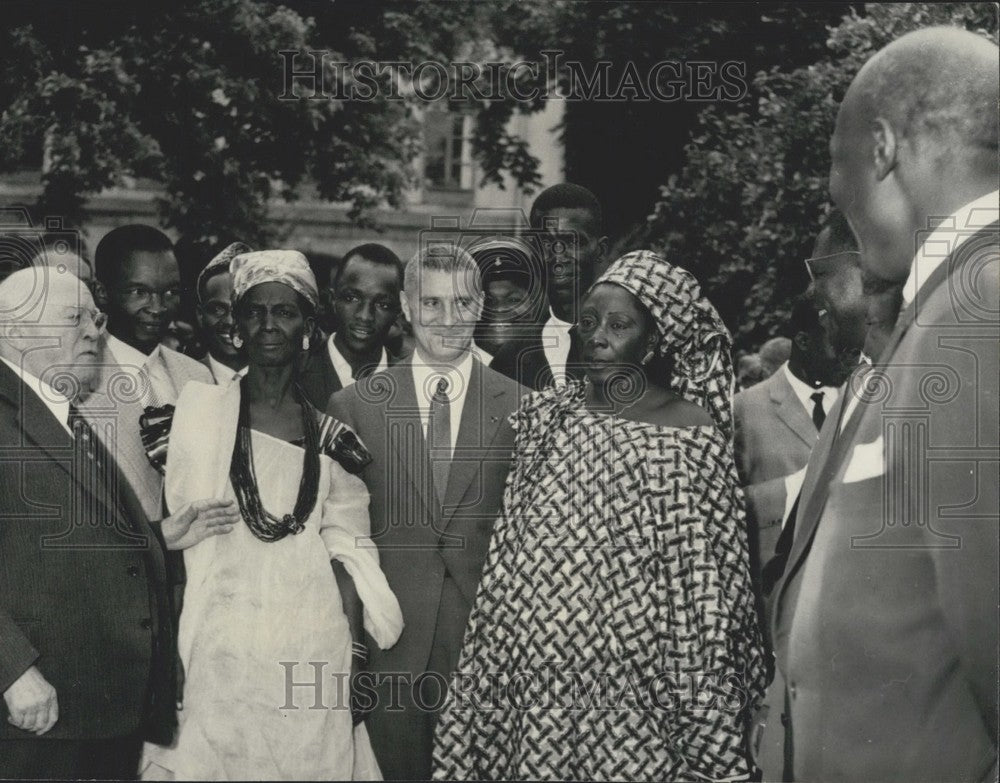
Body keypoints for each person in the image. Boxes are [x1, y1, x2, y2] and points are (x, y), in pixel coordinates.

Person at [433, 250, 766, 782]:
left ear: (654, 340)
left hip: (645, 680)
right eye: (587, 323)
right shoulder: (545, 419)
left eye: (619, 325)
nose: (597, 336)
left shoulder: (691, 432)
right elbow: (502, 550)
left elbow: (715, 581)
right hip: (539, 675)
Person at [771, 27, 999, 781]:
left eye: (835, 169)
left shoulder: (976, 304)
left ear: (879, 147)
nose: (837, 196)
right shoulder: (946, 302)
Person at [137, 250, 403, 780]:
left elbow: (347, 557)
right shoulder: (188, 420)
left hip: (309, 647)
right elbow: (177, 552)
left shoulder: (333, 438)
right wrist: (171, 654)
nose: (268, 325)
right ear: (236, 324)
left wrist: (351, 659)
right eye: (254, 311)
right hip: (217, 645)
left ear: (307, 324)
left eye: (284, 311)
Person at [0, 267, 237, 780]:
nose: (95, 331)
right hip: (37, 714)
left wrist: (159, 536)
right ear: (15, 331)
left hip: (97, 710)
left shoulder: (58, 409)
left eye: (95, 316)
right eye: (73, 318)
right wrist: (12, 669)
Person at [327, 244, 525, 781]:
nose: (447, 320)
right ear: (409, 309)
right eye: (431, 304)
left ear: (481, 306)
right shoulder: (355, 406)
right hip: (387, 645)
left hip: (484, 648)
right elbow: (339, 539)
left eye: (461, 303)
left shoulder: (523, 409)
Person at [734, 295, 847, 591]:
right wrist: (794, 488)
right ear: (804, 342)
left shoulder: (861, 396)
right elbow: (723, 504)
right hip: (784, 593)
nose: (849, 356)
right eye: (838, 346)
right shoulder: (743, 409)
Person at [490, 183, 608, 390]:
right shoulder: (508, 361)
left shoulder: (634, 347)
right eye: (545, 243)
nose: (558, 257)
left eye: (573, 242)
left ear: (600, 250)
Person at [94, 224, 212, 406]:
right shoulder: (77, 375)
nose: (157, 309)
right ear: (102, 292)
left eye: (171, 292)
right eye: (139, 292)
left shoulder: (198, 377)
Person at [301, 243, 403, 409]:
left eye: (382, 305)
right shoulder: (294, 377)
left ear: (398, 311)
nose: (364, 316)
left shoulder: (414, 385)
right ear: (333, 300)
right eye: (352, 298)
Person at [470, 236, 546, 359]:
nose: (499, 309)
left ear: (532, 304)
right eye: (487, 301)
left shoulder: (554, 362)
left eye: (513, 300)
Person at [194, 242, 251, 384]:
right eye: (218, 309)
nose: (230, 321)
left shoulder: (292, 385)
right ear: (200, 315)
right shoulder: (177, 382)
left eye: (243, 310)